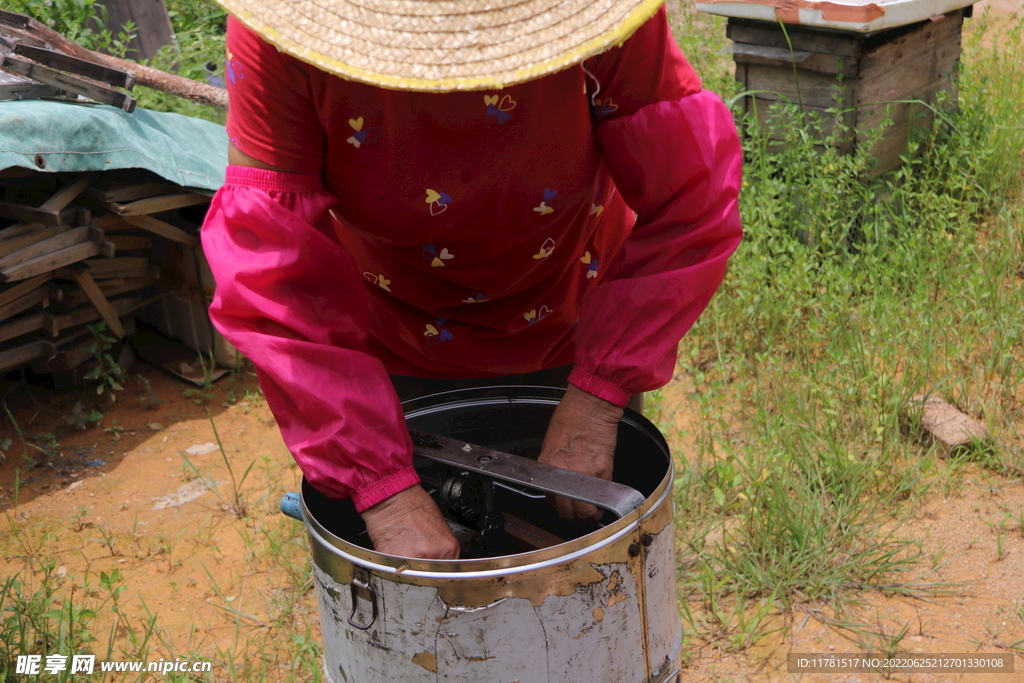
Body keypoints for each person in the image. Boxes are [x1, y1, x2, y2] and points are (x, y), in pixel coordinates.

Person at [202, 0, 743, 560]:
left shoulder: (610, 18)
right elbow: (272, 273)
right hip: (393, 346)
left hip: (576, 320)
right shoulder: (282, 34)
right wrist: (380, 486)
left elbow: (691, 196)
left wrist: (599, 395)